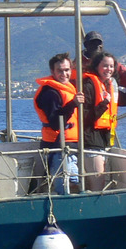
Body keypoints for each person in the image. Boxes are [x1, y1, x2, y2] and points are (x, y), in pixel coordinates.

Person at [81, 51, 126, 190]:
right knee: (97, 183)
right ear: (96, 66)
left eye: (111, 66)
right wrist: (104, 102)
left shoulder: (109, 85)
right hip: (91, 141)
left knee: (100, 181)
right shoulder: (88, 85)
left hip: (104, 139)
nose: (109, 69)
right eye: (105, 66)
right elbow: (85, 116)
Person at [34, 53, 85, 195]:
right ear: (52, 72)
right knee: (66, 185)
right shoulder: (50, 93)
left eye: (67, 70)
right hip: (58, 146)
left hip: (70, 145)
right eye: (60, 70)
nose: (64, 74)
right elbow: (56, 122)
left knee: (73, 182)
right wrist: (73, 104)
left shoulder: (69, 88)